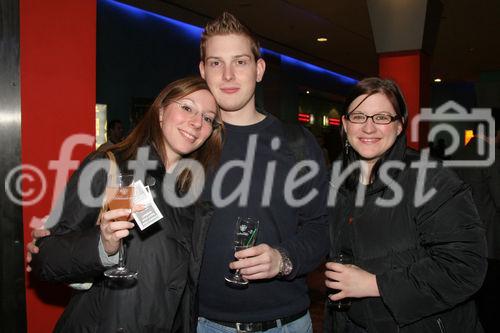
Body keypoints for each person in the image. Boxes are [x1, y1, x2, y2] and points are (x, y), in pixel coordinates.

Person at [30, 76, 224, 332]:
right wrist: (103, 245)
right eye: (187, 108)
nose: (197, 123)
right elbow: (46, 258)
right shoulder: (109, 165)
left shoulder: (193, 193)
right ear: (162, 110)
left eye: (208, 118)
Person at [195, 12, 329, 332]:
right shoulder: (188, 144)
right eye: (216, 63)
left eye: (240, 62)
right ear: (203, 71)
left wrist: (282, 259)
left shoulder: (296, 143)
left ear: (259, 69)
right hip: (205, 323)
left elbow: (321, 228)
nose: (227, 75)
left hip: (287, 323)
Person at [324, 78, 487, 333]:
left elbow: (465, 267)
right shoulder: (337, 181)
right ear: (345, 124)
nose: (368, 127)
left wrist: (375, 284)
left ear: (399, 126)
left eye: (381, 117)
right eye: (358, 116)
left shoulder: (431, 178)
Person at [455, 118, 500, 333]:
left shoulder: (459, 154)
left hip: (461, 237)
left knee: (469, 296)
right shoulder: (492, 155)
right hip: (489, 240)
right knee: (491, 300)